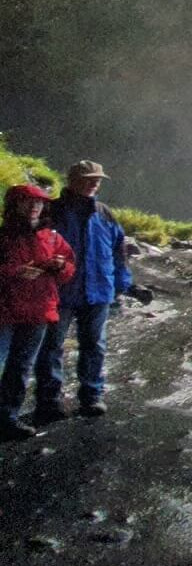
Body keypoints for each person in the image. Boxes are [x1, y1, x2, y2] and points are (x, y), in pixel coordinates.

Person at [42, 159, 137, 419]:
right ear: (73, 180)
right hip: (59, 291)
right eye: (89, 178)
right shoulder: (52, 211)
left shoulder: (104, 213)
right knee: (52, 346)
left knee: (94, 345)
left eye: (97, 179)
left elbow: (119, 252)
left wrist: (122, 284)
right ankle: (49, 400)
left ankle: (92, 396)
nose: (95, 183)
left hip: (97, 290)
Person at [0, 183, 76, 441]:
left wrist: (60, 265)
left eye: (39, 203)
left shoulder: (52, 237)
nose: (34, 207)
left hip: (38, 309)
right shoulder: (4, 237)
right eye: (28, 202)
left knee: (21, 367)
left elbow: (69, 268)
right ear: (15, 205)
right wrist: (14, 272)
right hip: (6, 310)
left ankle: (7, 418)